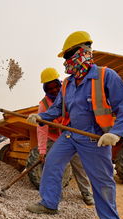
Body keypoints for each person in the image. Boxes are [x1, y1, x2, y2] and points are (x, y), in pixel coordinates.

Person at [26, 31, 123, 219]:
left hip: (94, 138)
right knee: (52, 162)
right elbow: (56, 109)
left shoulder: (105, 76)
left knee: (102, 180)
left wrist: (116, 132)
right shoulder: (68, 83)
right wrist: (40, 116)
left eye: (68, 56)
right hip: (70, 134)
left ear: (83, 52)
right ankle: (49, 203)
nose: (66, 63)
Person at [38, 67, 94, 206]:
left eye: (55, 86)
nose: (53, 90)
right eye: (49, 88)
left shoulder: (70, 92)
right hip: (55, 139)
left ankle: (86, 193)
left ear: (60, 83)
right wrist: (42, 150)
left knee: (79, 166)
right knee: (53, 166)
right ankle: (54, 196)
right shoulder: (44, 105)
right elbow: (42, 129)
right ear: (45, 89)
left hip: (74, 135)